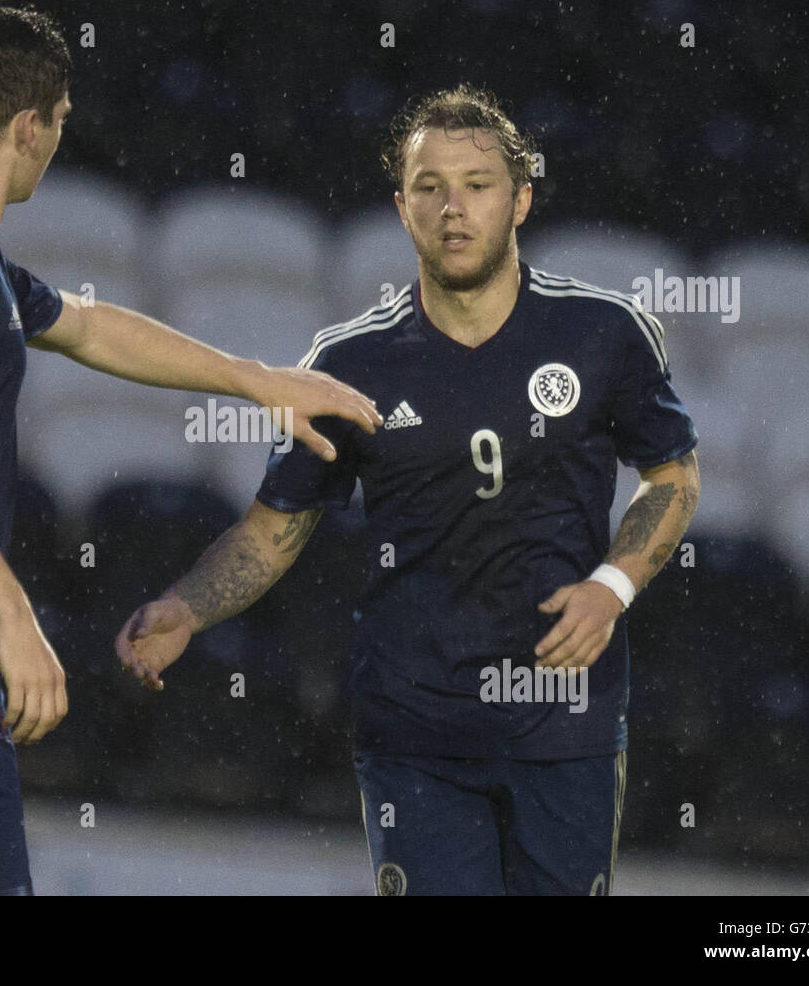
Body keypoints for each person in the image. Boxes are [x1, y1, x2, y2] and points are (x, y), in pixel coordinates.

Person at [0, 2, 380, 896]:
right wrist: (13, 615)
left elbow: (92, 326)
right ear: (29, 125)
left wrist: (257, 379)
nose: (60, 140)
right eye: (61, 123)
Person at [116, 86, 701, 896]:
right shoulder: (350, 362)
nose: (452, 208)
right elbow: (274, 527)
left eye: (477, 185)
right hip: (415, 727)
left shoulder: (604, 334)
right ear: (402, 207)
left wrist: (612, 586)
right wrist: (188, 606)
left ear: (522, 199)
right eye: (430, 187)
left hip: (566, 721)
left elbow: (673, 477)